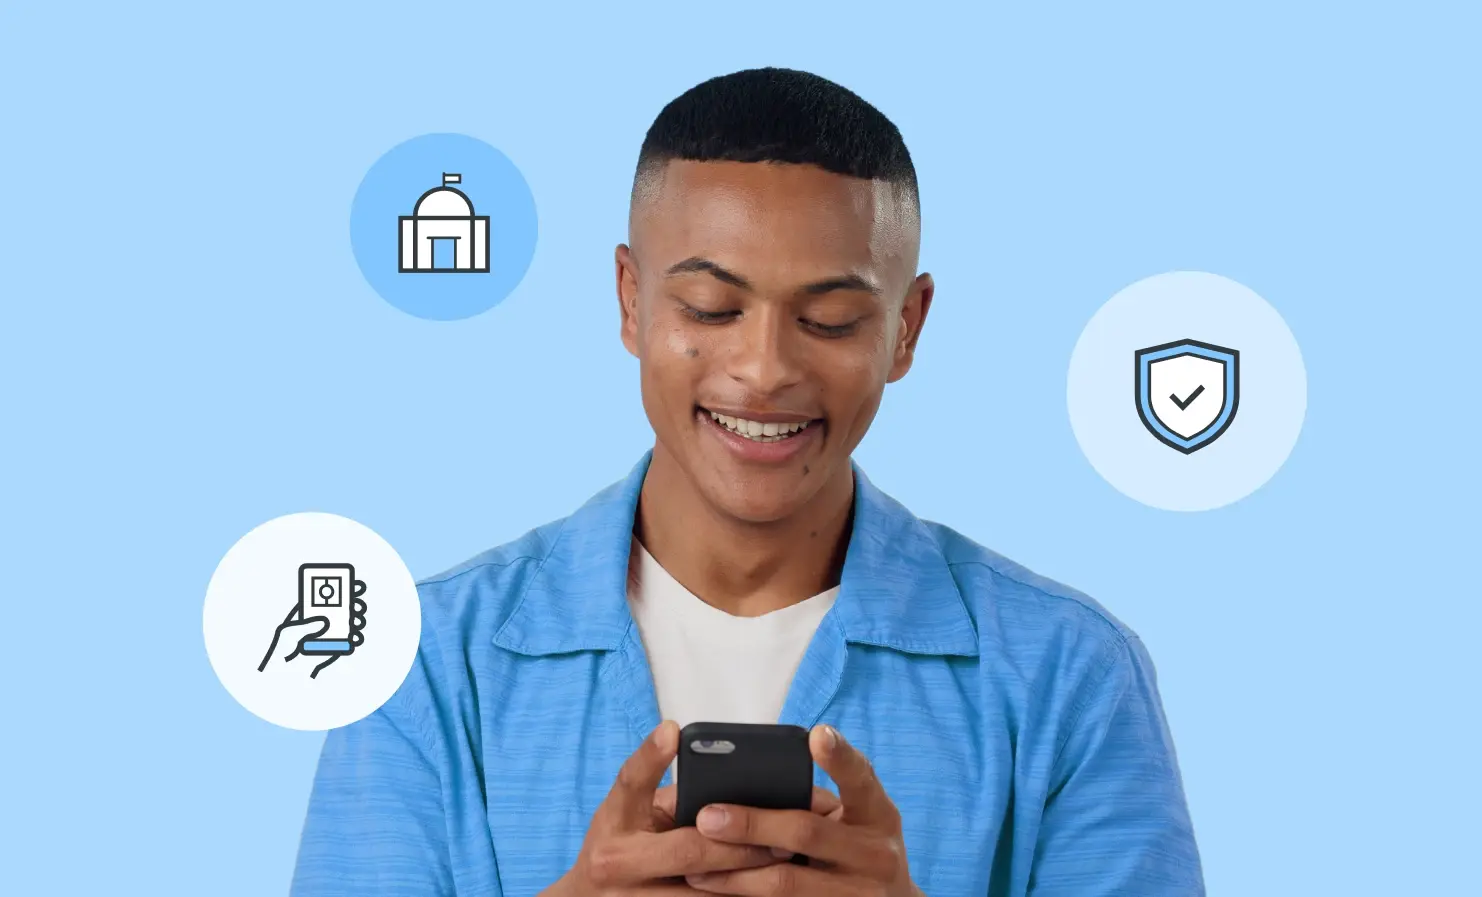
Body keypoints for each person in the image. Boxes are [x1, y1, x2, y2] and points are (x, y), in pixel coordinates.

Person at [291, 67, 1205, 896]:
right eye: (711, 308)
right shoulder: (423, 670)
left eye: (833, 318)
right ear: (631, 301)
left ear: (907, 329)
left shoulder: (1070, 675)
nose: (764, 368)